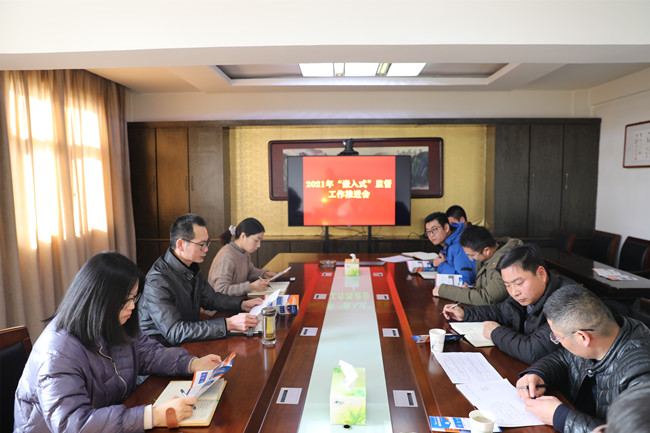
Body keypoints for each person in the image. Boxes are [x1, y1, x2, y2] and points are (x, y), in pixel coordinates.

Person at [14, 251, 224, 432]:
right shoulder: (58, 353)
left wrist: (192, 363)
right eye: (125, 300)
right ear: (99, 300)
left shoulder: (113, 320)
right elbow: (74, 425)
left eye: (134, 297)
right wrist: (153, 416)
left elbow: (148, 353)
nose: (132, 306)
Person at [516, 285, 650, 433]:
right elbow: (564, 357)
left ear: (582, 337)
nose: (557, 341)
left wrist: (560, 417)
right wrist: (537, 374)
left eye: (557, 337)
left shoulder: (642, 372)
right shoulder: (605, 331)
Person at [139, 214, 262, 346]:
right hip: (159, 349)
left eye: (206, 243)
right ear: (180, 244)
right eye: (201, 245)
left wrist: (242, 304)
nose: (206, 249)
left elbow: (211, 299)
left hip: (187, 340)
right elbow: (175, 332)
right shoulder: (157, 281)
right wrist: (228, 324)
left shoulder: (190, 267)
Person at [443, 243, 575, 364]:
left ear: (541, 274)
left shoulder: (568, 302)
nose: (514, 292)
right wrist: (465, 313)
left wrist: (496, 333)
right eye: (507, 285)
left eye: (519, 283)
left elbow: (533, 351)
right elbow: (501, 311)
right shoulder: (523, 295)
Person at [433, 225, 523, 305]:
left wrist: (444, 291)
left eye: (472, 255)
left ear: (486, 250)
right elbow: (486, 286)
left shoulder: (506, 264)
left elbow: (487, 297)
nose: (471, 259)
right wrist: (471, 288)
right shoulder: (488, 257)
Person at [208, 217, 277, 296]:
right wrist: (250, 287)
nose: (259, 245)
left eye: (260, 241)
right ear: (243, 236)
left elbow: (249, 271)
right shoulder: (226, 257)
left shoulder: (243, 251)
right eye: (256, 240)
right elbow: (221, 290)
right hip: (221, 303)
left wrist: (264, 274)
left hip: (235, 300)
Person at [425, 212, 476, 285]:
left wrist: (441, 265)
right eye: (428, 232)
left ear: (446, 228)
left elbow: (464, 281)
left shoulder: (460, 245)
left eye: (434, 229)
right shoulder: (448, 242)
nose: (431, 235)